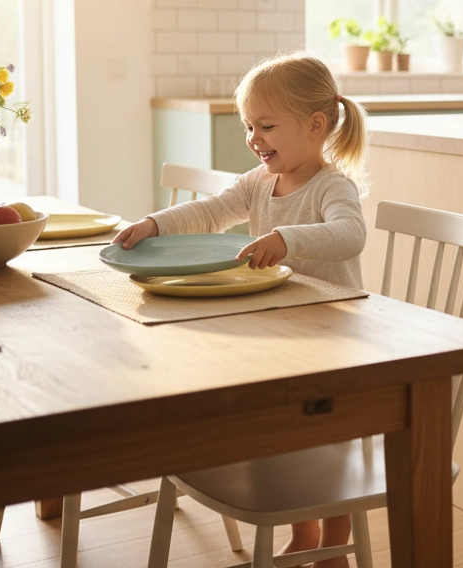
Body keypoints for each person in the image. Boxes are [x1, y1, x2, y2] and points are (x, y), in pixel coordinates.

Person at [113, 52, 368, 568]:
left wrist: (286, 239)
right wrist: (154, 224)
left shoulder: (331, 186)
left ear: (316, 125)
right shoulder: (257, 182)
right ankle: (305, 528)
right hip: (280, 334)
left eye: (267, 126)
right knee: (286, 434)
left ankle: (333, 544)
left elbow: (350, 236)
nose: (254, 137)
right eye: (249, 125)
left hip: (332, 338)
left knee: (332, 440)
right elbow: (209, 210)